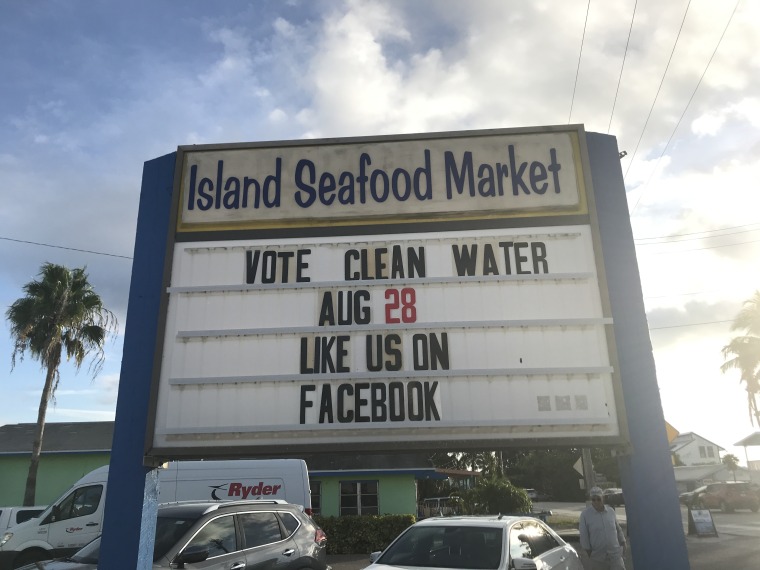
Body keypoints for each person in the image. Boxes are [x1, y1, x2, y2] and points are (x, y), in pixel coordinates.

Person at [579, 487, 626, 570]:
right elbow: (584, 535)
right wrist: (588, 551)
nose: (596, 502)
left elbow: (617, 529)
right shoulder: (585, 515)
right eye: (593, 499)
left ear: (603, 498)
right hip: (598, 558)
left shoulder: (610, 511)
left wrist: (623, 542)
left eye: (598, 499)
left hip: (615, 556)